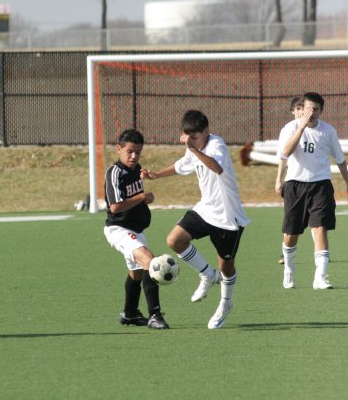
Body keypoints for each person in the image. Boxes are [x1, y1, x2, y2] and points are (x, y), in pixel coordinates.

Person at [142, 110, 249, 330]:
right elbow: (182, 165)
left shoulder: (216, 145)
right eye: (187, 137)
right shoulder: (194, 149)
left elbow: (216, 167)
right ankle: (208, 275)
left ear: (206, 132)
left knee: (227, 266)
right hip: (205, 210)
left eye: (196, 137)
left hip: (228, 218)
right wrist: (156, 175)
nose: (192, 142)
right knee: (175, 240)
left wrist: (191, 148)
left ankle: (225, 304)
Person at [278, 91, 348, 290]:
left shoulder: (328, 131)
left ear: (321, 111)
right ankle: (289, 270)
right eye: (308, 108)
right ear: (302, 108)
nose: (311, 112)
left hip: (321, 185)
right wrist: (300, 127)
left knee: (320, 229)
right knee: (291, 234)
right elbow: (285, 152)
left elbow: (341, 161)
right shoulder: (290, 128)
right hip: (295, 186)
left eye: (316, 109)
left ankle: (321, 277)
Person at [104, 129, 169, 330]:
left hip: (136, 230)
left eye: (138, 152)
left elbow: (135, 193)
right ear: (119, 149)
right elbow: (115, 206)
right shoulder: (114, 172)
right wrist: (143, 197)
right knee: (151, 262)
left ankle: (130, 313)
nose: (133, 156)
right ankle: (155, 315)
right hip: (119, 229)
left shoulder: (136, 169)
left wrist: (144, 178)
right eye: (129, 151)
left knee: (137, 273)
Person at [275, 96, 304, 264]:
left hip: (314, 182)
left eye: (303, 108)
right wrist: (279, 179)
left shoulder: (316, 128)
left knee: (317, 221)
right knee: (291, 219)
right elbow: (283, 157)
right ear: (292, 111)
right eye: (298, 108)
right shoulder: (288, 129)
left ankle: (322, 253)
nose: (301, 111)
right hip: (294, 183)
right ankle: (284, 254)